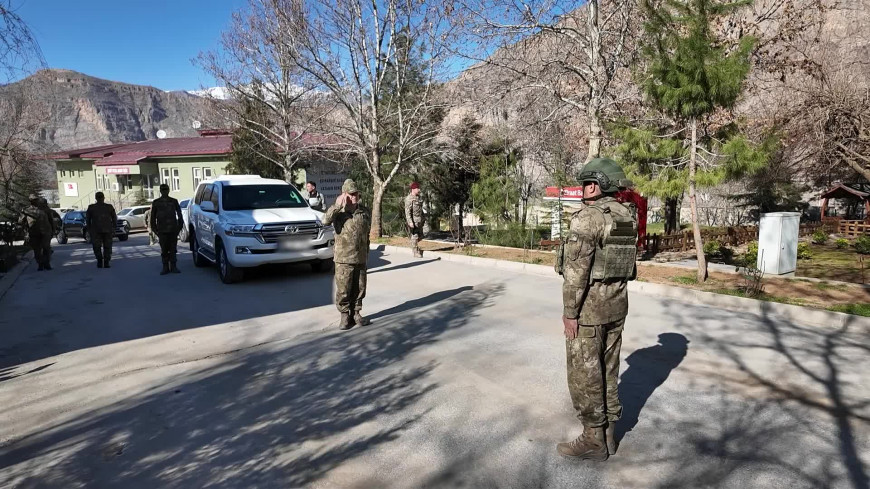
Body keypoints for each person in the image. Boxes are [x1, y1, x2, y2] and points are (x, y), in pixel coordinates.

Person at [554, 157, 638, 461]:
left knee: (585, 376)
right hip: (617, 305)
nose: (583, 188)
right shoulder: (628, 215)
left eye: (586, 183)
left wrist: (569, 313)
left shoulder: (588, 217)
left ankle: (593, 440)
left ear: (597, 184)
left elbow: (576, 273)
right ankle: (609, 435)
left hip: (589, 310)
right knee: (609, 371)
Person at [323, 179, 371, 331]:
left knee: (360, 287)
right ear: (344, 195)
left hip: (360, 257)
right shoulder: (338, 213)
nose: (354, 196)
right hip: (344, 258)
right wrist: (337, 205)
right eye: (350, 194)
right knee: (344, 289)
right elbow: (324, 220)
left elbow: (367, 233)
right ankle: (345, 315)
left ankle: (356, 313)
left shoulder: (364, 211)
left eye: (356, 193)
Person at [150, 183, 185, 275]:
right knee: (164, 250)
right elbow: (152, 217)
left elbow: (179, 214)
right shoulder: (156, 202)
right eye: (163, 189)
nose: (165, 191)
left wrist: (180, 226)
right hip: (162, 230)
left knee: (173, 249)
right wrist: (154, 229)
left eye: (166, 189)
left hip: (173, 229)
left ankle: (173, 266)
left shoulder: (174, 201)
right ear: (160, 191)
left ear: (168, 190)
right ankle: (165, 267)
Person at [21, 195, 53, 271]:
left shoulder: (45, 209)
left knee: (46, 248)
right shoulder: (26, 211)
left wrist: (53, 231)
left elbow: (51, 220)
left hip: (45, 232)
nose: (34, 201)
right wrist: (25, 232)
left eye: (35, 200)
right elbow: (21, 222)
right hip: (34, 233)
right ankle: (40, 264)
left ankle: (46, 263)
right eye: (33, 200)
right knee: (37, 250)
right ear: (30, 201)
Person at [86, 192, 118, 269]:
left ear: (96, 198)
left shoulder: (91, 207)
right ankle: (106, 262)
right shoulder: (109, 207)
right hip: (107, 230)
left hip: (96, 230)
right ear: (103, 198)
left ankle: (100, 261)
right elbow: (114, 218)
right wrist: (114, 227)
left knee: (97, 246)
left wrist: (89, 229)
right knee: (107, 246)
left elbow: (87, 220)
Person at [404, 182, 424, 258]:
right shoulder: (409, 199)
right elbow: (407, 212)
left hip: (420, 220)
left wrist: (423, 219)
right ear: (413, 189)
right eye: (417, 188)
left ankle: (413, 244)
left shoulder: (418, 197)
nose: (419, 189)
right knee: (415, 236)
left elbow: (420, 209)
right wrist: (410, 222)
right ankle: (415, 252)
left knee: (422, 235)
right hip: (414, 221)